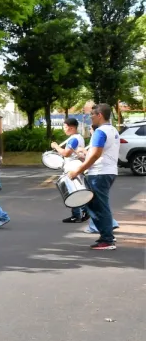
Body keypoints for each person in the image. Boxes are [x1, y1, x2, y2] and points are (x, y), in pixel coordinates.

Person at [67, 104, 121, 250]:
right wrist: (84, 155)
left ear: (100, 115)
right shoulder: (112, 130)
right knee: (98, 205)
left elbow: (96, 154)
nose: (90, 117)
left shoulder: (100, 132)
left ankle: (107, 240)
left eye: (92, 114)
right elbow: (98, 153)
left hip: (99, 173)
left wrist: (78, 170)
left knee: (98, 206)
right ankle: (107, 235)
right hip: (107, 171)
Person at [52, 117, 89, 225]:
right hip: (76, 166)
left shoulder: (73, 139)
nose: (64, 129)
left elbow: (66, 153)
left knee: (74, 192)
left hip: (72, 167)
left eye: (65, 126)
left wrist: (56, 146)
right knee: (77, 191)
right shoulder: (79, 137)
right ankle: (81, 213)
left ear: (72, 128)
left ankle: (79, 214)